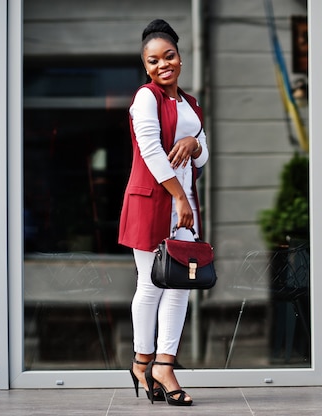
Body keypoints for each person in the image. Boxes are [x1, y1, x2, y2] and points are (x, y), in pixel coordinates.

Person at [118, 19, 208, 406]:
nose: (162, 65)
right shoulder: (145, 98)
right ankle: (142, 360)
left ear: (180, 58)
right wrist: (180, 197)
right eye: (153, 61)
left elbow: (205, 156)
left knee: (180, 285)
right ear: (146, 66)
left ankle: (164, 363)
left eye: (168, 56)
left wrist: (193, 142)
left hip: (183, 207)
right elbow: (151, 151)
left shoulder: (191, 105)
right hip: (154, 202)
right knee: (151, 282)